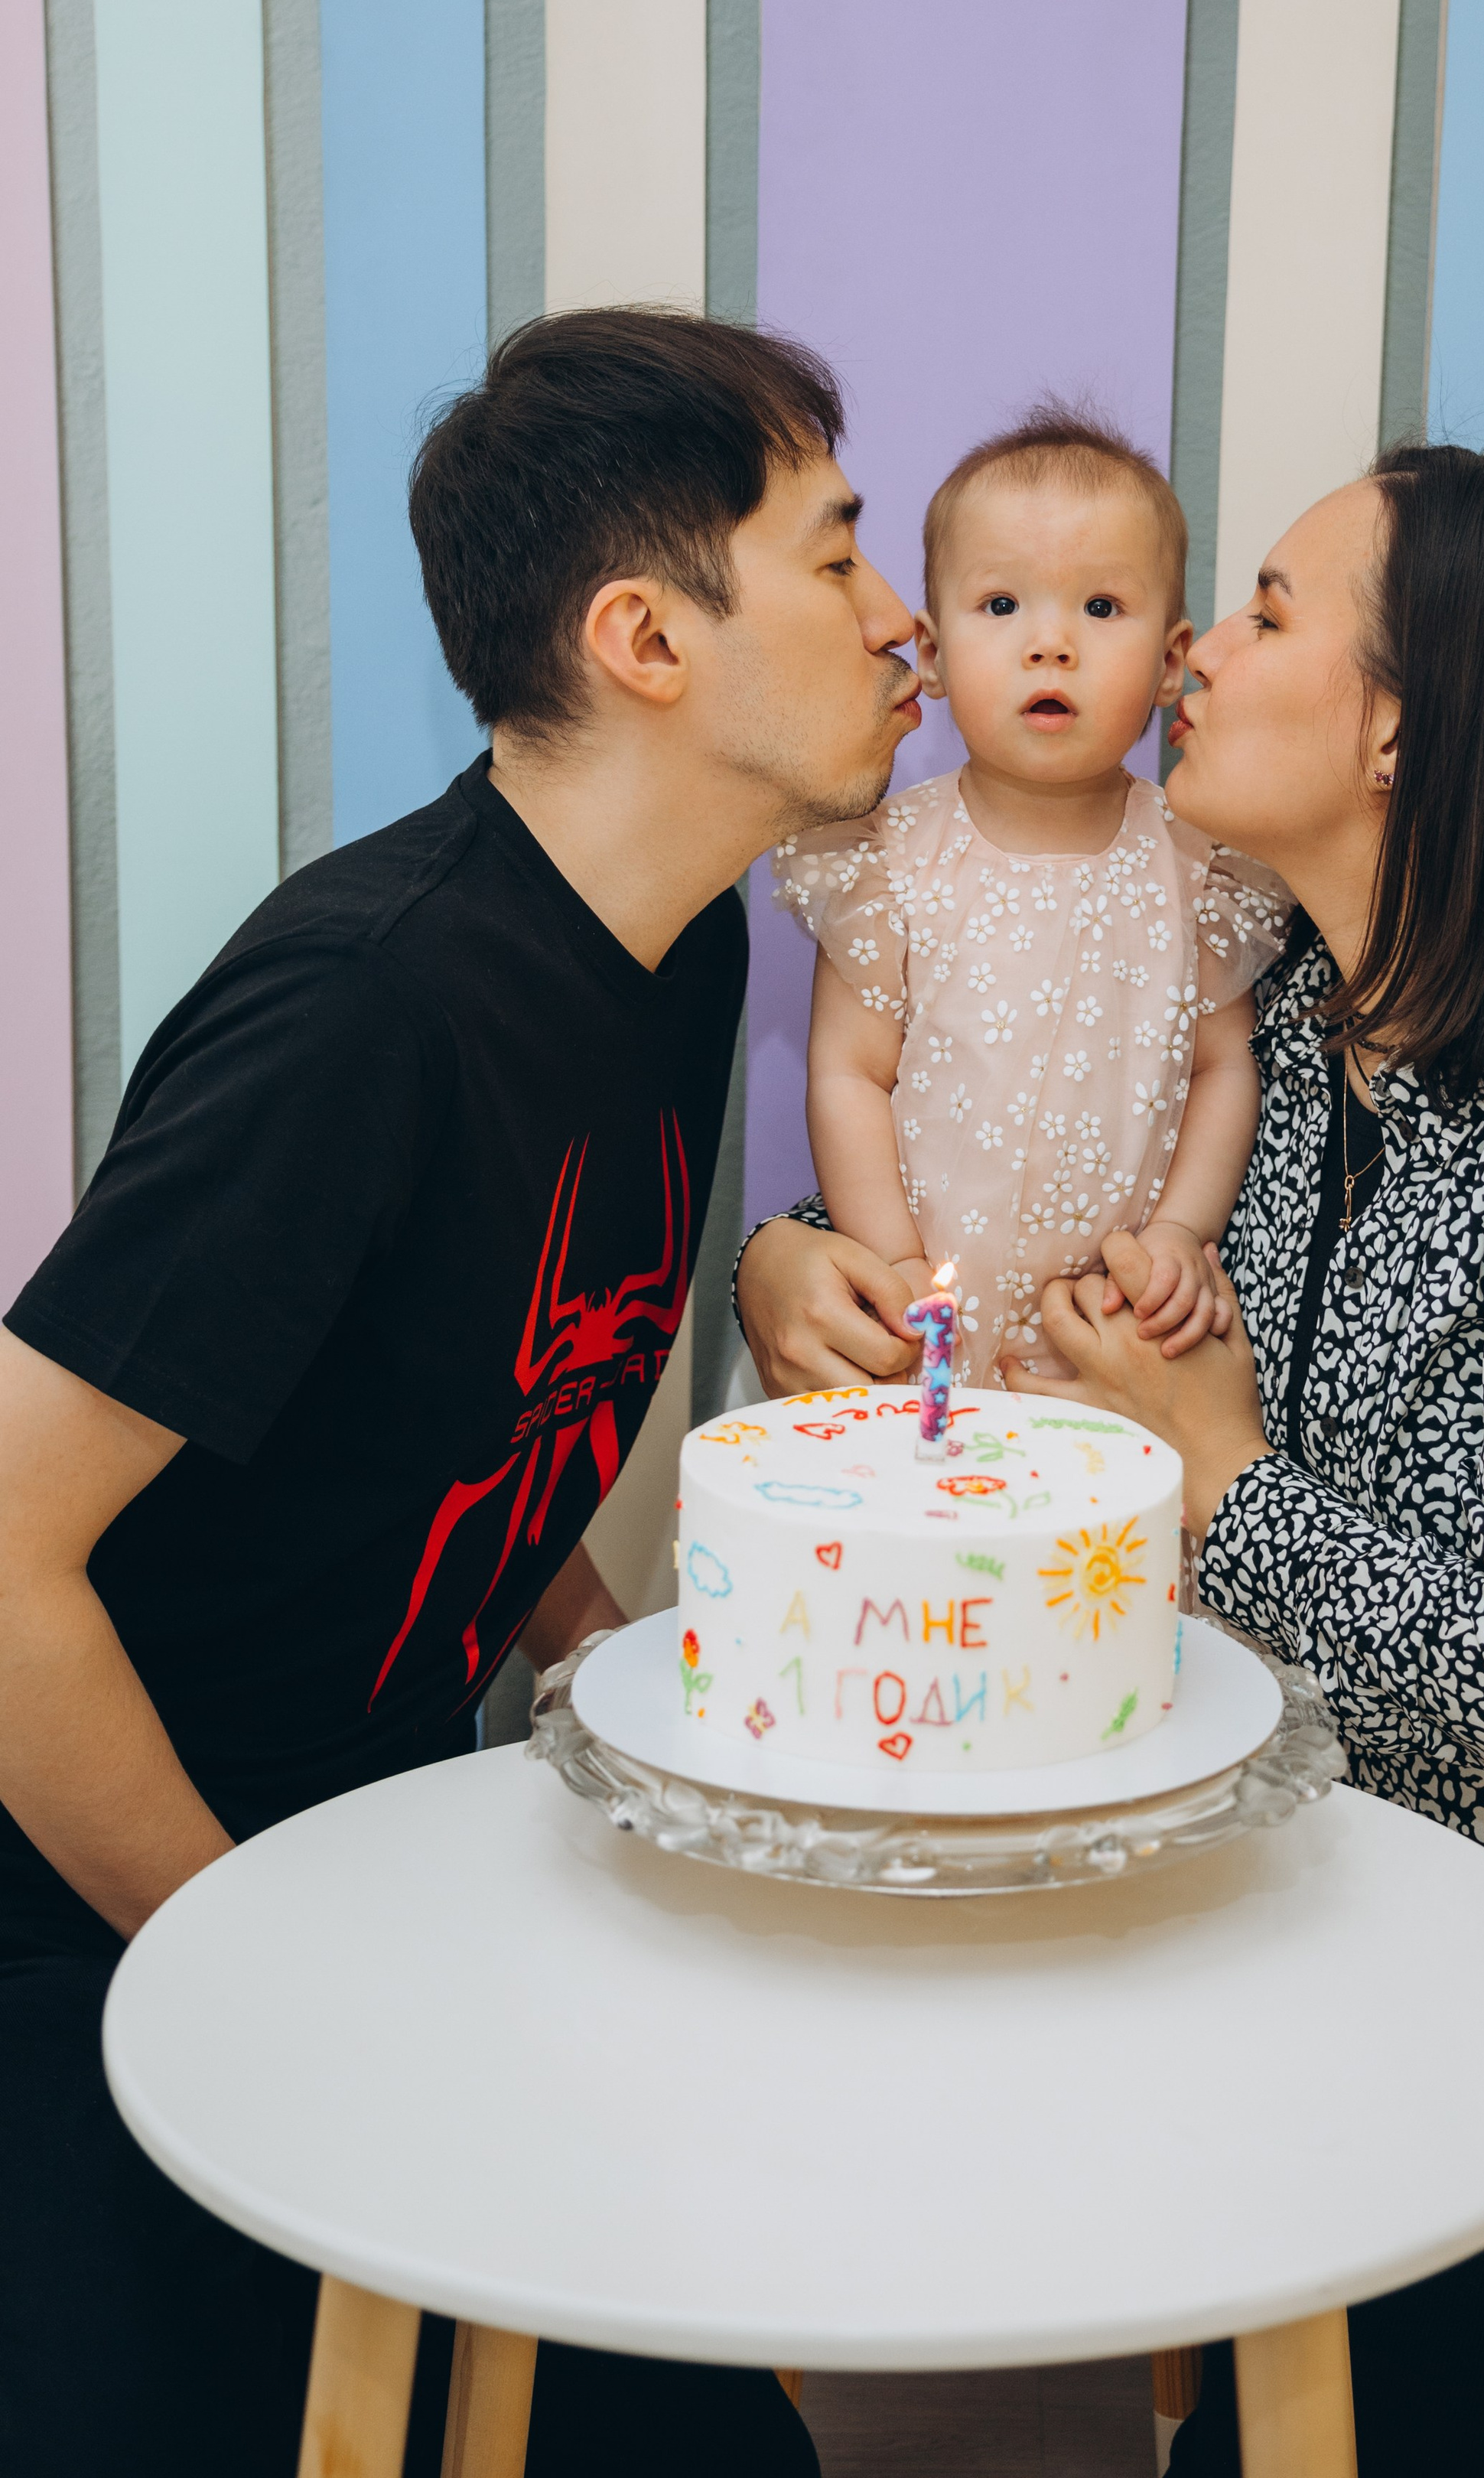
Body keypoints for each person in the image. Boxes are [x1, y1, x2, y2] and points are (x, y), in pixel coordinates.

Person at [737, 443, 1484, 2476]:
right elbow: (1001, 1199)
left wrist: (1219, 1471)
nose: (1194, 652)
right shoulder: (1296, 1018)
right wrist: (795, 1256)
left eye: (1269, 616)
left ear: (1405, 723)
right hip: (1445, 1960)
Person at [0, 308, 921, 2476]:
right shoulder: (368, 1006)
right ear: (645, 637)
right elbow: (5, 1557)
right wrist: (251, 1964)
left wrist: (611, 1663)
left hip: (379, 1853)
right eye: (837, 553)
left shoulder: (676, 938)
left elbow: (474, 1396)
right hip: (104, 1921)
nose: (900, 626)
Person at [773, 407, 1289, 1380]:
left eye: (1100, 609)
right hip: (920, 1323)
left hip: (1101, 1339)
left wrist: (1182, 1231)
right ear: (929, 651)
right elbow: (848, 1076)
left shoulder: (1196, 869)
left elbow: (1225, 1068)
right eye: (1002, 605)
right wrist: (893, 1263)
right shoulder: (889, 861)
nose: (1050, 645)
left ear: (1171, 663)